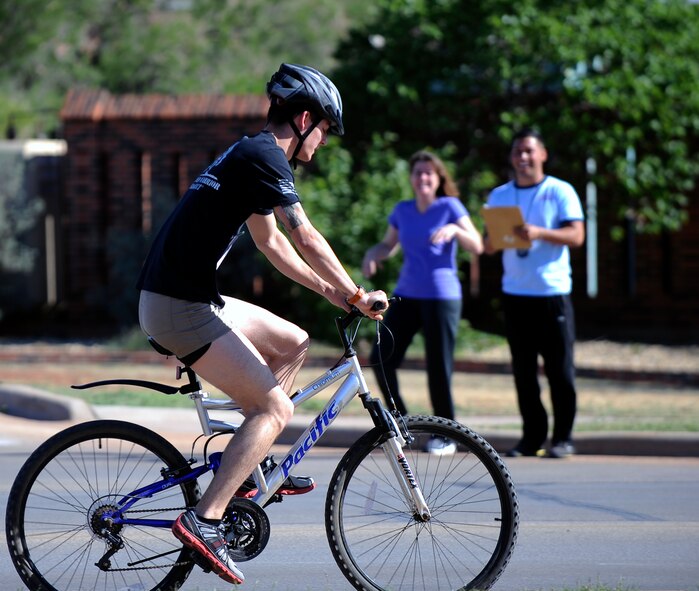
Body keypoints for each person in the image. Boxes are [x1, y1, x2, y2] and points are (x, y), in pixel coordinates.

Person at [136, 63, 387, 585]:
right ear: (303, 119)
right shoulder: (265, 156)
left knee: (293, 342)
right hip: (179, 306)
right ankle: (204, 520)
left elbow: (271, 243)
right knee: (274, 406)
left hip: (183, 297)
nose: (322, 143)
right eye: (324, 131)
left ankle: (249, 468)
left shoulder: (251, 153)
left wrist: (333, 295)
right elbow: (305, 235)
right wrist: (358, 295)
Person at [362, 150, 483, 455]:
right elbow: (389, 245)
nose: (423, 177)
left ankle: (447, 434)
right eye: (418, 172)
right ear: (412, 179)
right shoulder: (403, 210)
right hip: (408, 293)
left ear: (438, 177)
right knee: (380, 356)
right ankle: (401, 424)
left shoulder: (449, 207)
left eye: (429, 172)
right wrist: (372, 254)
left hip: (442, 296)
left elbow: (477, 245)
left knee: (437, 367)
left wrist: (455, 229)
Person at [483, 128, 585, 459]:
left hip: (552, 292)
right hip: (516, 295)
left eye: (529, 151)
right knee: (524, 372)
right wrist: (498, 238)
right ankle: (532, 437)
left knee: (560, 371)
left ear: (542, 154)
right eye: (517, 152)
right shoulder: (499, 195)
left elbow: (577, 235)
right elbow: (487, 245)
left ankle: (563, 437)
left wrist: (539, 232)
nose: (522, 158)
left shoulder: (559, 191)